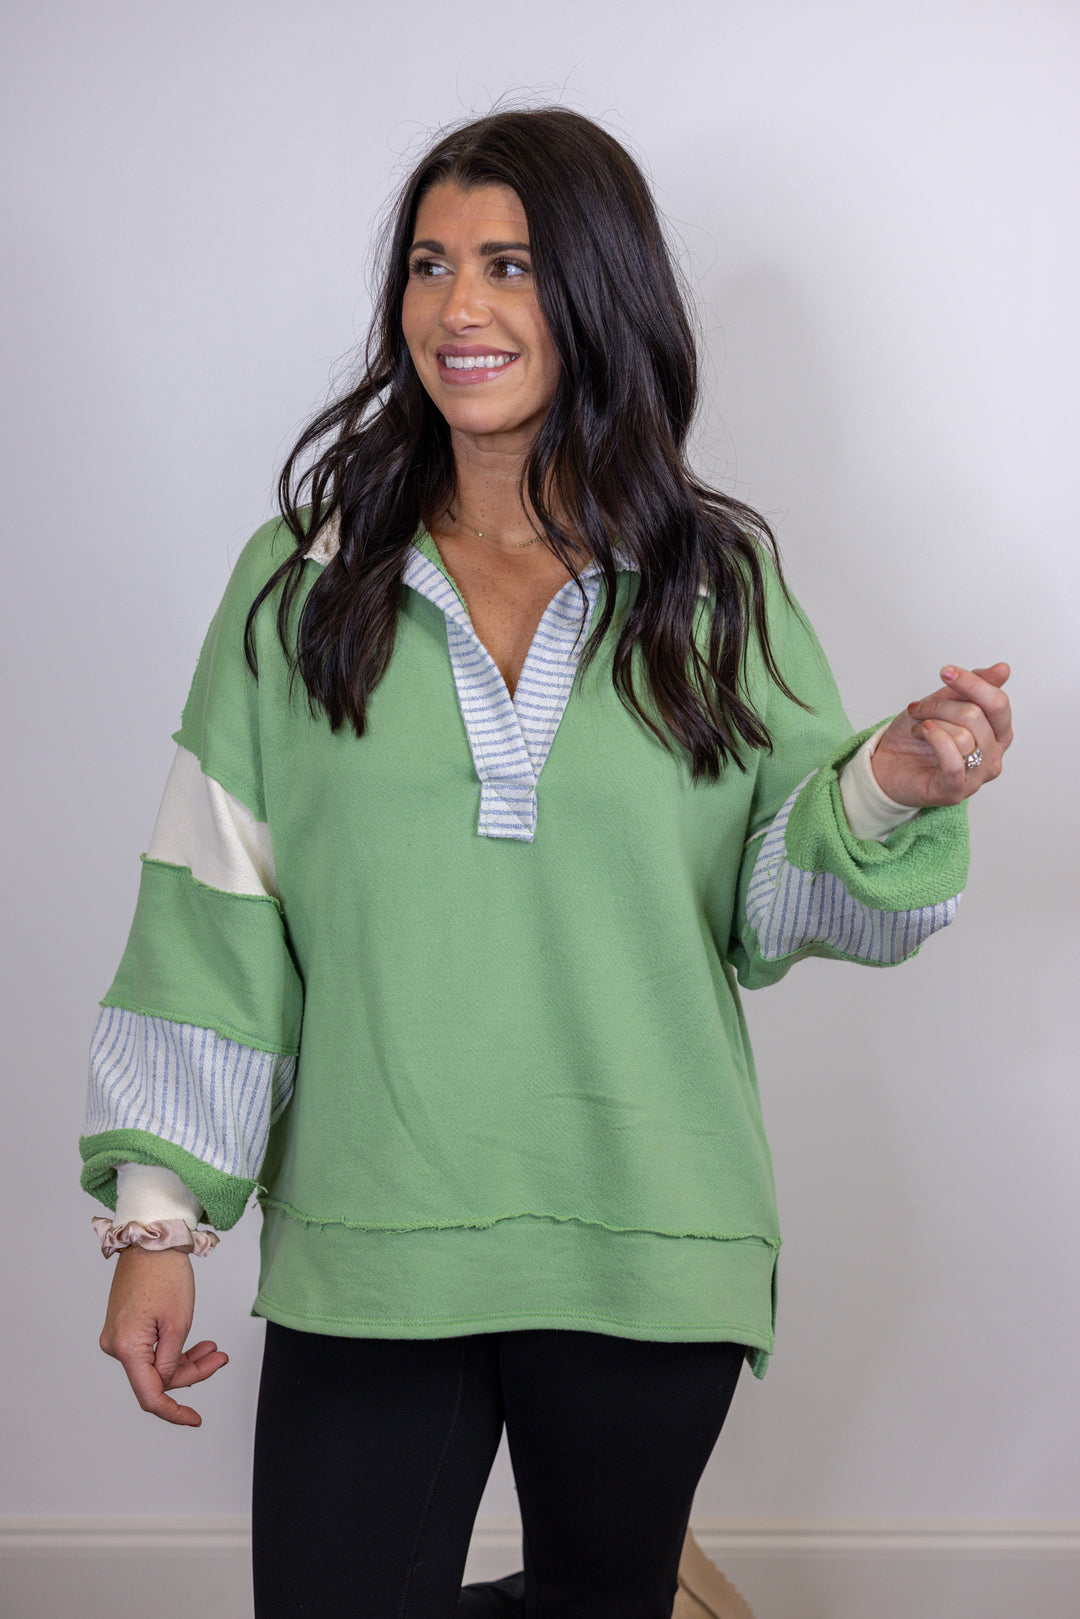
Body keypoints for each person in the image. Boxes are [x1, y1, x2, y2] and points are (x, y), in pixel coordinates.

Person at [81, 107, 1012, 1619]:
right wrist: (156, 1218)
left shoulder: (716, 582)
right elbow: (214, 910)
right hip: (375, 1237)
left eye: (509, 265)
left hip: (650, 1226)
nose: (459, 307)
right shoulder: (304, 579)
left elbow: (770, 901)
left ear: (596, 291)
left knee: (601, 1603)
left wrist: (890, 785)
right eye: (431, 265)